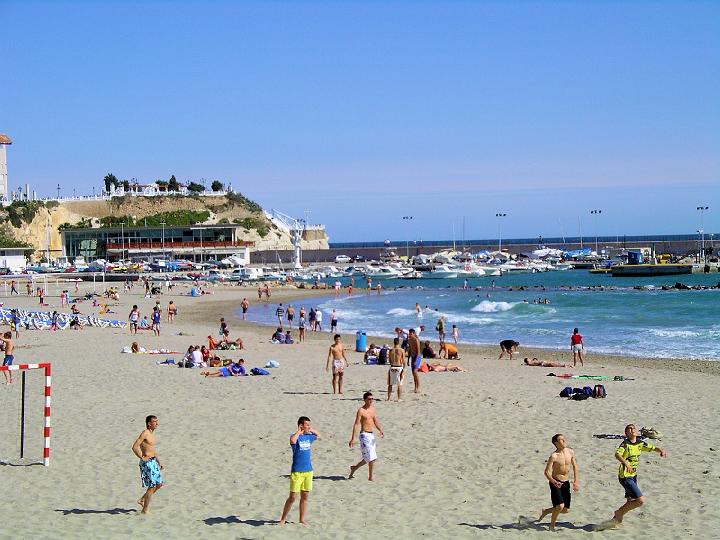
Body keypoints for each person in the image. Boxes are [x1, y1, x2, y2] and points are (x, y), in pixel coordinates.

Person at [610, 424, 668, 526]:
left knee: (631, 501)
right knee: (640, 501)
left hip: (633, 475)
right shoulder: (625, 444)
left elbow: (652, 447)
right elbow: (617, 454)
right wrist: (626, 463)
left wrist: (661, 450)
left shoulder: (640, 443)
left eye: (633, 428)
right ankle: (619, 513)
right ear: (626, 433)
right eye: (629, 429)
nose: (632, 430)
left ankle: (615, 520)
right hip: (624, 476)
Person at [279, 416, 321, 525]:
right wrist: (299, 431)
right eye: (307, 424)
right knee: (292, 497)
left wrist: (310, 429)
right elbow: (292, 440)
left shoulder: (309, 437)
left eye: (309, 424)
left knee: (305, 496)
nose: (309, 426)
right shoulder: (296, 437)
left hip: (308, 471)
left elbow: (319, 435)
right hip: (297, 471)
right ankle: (283, 518)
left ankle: (302, 519)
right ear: (301, 425)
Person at [538, 434, 580, 531]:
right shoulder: (554, 456)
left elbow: (575, 467)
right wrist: (553, 481)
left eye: (564, 438)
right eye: (561, 439)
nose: (564, 440)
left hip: (566, 482)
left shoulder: (570, 452)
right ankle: (552, 526)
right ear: (556, 443)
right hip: (555, 482)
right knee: (560, 506)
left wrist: (576, 481)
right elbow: (546, 472)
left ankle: (546, 511)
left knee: (566, 510)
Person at [131, 415, 164, 514]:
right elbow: (134, 446)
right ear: (149, 423)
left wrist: (159, 461)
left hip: (153, 461)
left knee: (159, 484)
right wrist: (141, 457)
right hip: (147, 463)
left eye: (157, 421)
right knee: (152, 486)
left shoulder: (151, 434)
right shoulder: (145, 433)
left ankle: (142, 500)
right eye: (154, 422)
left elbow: (152, 450)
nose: (157, 423)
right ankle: (145, 510)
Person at [348, 392, 384, 481]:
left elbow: (375, 421)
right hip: (364, 435)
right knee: (372, 457)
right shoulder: (361, 411)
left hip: (371, 435)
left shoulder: (372, 409)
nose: (371, 401)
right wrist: (353, 438)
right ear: (364, 400)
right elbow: (356, 424)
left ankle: (354, 468)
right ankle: (371, 477)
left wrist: (380, 430)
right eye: (369, 399)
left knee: (368, 457)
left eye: (372, 399)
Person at [407, 327, 422, 393]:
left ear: (413, 333)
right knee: (413, 373)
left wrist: (416, 360)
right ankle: (415, 387)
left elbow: (418, 351)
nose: (409, 335)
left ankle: (418, 387)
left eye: (410, 334)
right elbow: (410, 350)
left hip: (417, 357)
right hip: (412, 357)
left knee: (415, 372)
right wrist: (408, 359)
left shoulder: (416, 340)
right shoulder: (409, 340)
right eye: (409, 333)